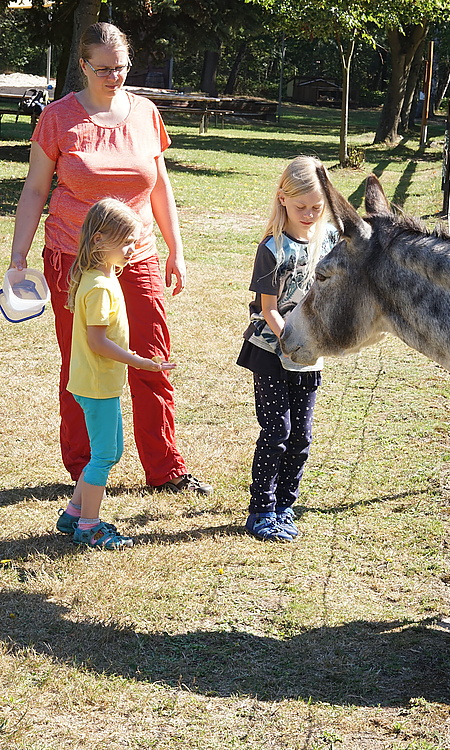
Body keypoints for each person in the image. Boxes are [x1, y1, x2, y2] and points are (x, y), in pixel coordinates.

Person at [9, 22, 211, 496]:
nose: (113, 77)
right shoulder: (58, 118)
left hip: (135, 255)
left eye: (120, 67)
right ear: (83, 65)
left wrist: (175, 251)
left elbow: (160, 186)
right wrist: (18, 256)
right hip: (72, 259)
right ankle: (83, 468)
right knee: (80, 362)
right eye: (102, 69)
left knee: (150, 358)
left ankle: (165, 468)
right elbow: (36, 189)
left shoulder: (145, 113)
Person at [56, 199, 176, 549]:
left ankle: (73, 513)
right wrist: (139, 362)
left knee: (110, 450)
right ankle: (88, 526)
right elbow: (97, 341)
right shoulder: (99, 287)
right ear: (98, 241)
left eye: (135, 241)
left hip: (98, 383)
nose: (133, 249)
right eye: (126, 243)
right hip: (96, 385)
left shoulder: (102, 277)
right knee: (105, 455)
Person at [237, 155, 338, 542]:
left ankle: (284, 506)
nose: (309, 214)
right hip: (272, 350)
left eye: (317, 207)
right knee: (276, 431)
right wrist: (291, 345)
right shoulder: (272, 249)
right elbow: (267, 309)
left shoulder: (329, 241)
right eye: (301, 207)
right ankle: (261, 510)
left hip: (310, 354)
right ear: (282, 199)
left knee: (302, 436)